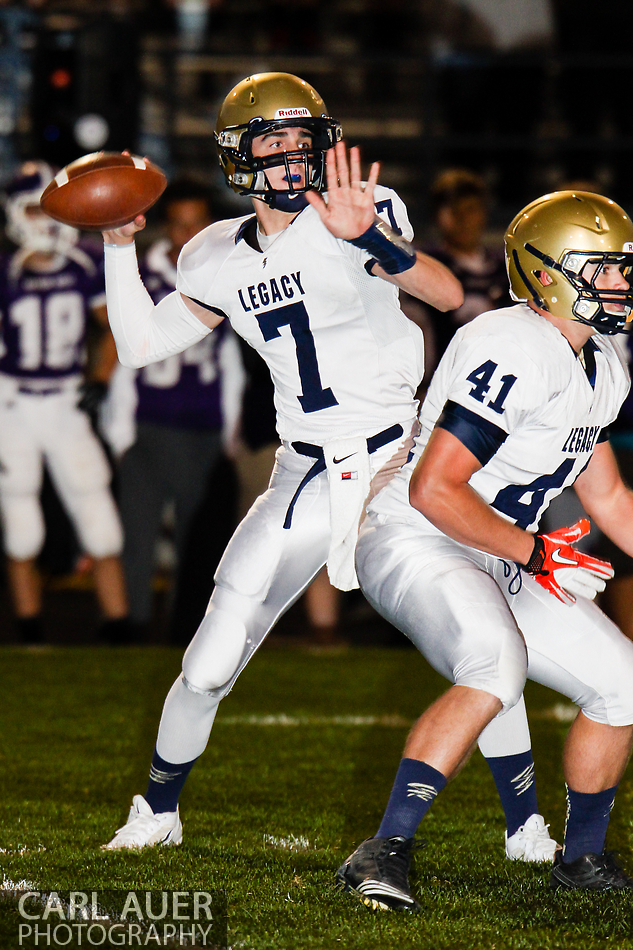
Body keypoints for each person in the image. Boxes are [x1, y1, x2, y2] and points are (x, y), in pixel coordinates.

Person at [97, 72, 548, 857]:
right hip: (303, 472)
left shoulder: (358, 210)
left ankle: (526, 823)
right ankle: (158, 810)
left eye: (301, 138)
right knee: (205, 664)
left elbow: (442, 293)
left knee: (476, 638)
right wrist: (118, 247)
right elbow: (139, 345)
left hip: (400, 464)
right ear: (240, 156)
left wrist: (368, 237)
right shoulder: (213, 255)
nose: (290, 154)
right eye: (271, 141)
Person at [338, 189, 633, 910]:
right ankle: (384, 848)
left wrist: (525, 553)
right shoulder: (508, 344)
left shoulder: (603, 363)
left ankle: (582, 859)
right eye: (605, 268)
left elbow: (609, 498)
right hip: (417, 536)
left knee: (622, 683)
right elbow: (435, 490)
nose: (621, 283)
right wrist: (531, 552)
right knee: (494, 664)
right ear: (547, 272)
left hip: (502, 548)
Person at [102, 179, 244, 640]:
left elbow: (230, 363)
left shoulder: (222, 274)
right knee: (137, 537)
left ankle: (189, 632)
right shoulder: (142, 271)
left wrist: (228, 434)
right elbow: (125, 356)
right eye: (179, 225)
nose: (187, 235)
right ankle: (132, 627)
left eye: (195, 224)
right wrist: (121, 434)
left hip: (203, 429)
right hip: (149, 424)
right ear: (166, 227)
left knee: (197, 541)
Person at [0, 161, 129, 644]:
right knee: (22, 526)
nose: (44, 220)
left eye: (50, 208)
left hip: (65, 402)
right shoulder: (5, 273)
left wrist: (100, 376)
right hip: (13, 403)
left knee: (99, 521)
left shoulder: (85, 264)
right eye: (34, 209)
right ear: (15, 214)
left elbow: (115, 323)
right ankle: (30, 628)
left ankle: (119, 627)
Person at [421, 169, 512, 371]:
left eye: (470, 210)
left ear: (483, 213)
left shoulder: (506, 269)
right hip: (438, 381)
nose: (463, 219)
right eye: (454, 211)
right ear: (437, 216)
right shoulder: (425, 267)